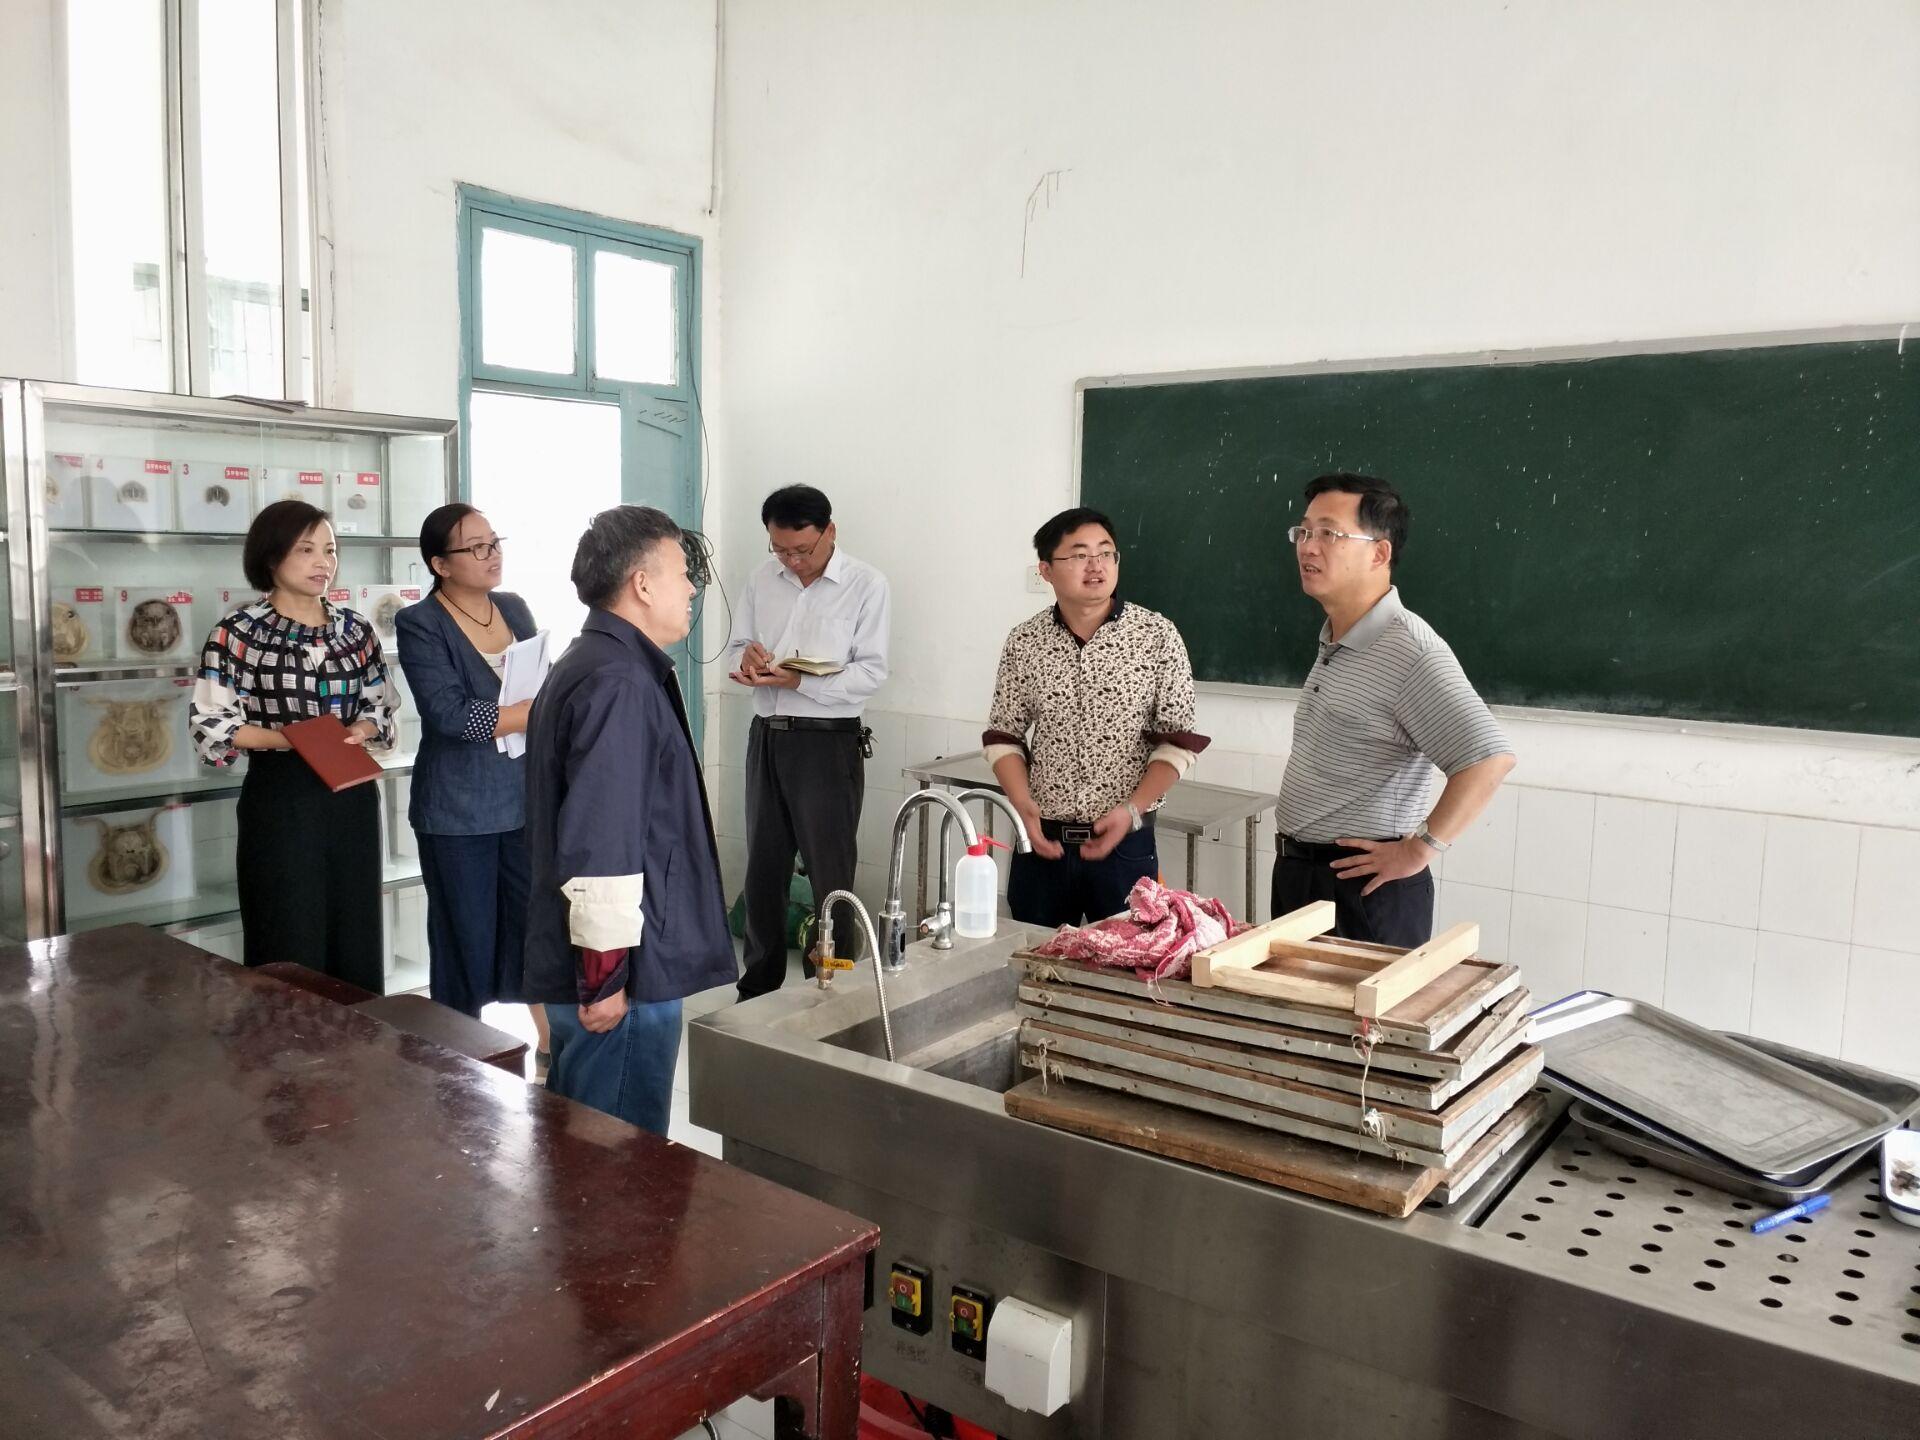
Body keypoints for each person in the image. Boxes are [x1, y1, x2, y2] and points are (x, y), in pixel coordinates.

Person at [522, 504, 732, 1134]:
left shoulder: (596, 661)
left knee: (584, 1148)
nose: (692, 587)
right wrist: (604, 976)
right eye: (681, 572)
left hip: (604, 956)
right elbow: (602, 839)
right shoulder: (618, 681)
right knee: (616, 1159)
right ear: (641, 584)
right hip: (623, 972)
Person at [1273, 473, 1516, 946]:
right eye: (1303, 531)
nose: (1308, 546)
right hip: (1304, 877)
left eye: (1329, 533)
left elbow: (1489, 759)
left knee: (1360, 1003)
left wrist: (1419, 850)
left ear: (1379, 554)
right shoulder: (1338, 637)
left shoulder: (1411, 650)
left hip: (1361, 892)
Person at [191, 500, 398, 989]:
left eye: (330, 550)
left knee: (355, 933)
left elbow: (381, 705)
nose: (323, 562)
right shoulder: (237, 632)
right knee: (287, 933)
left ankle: (359, 1037)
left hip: (351, 796)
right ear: (271, 557)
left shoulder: (356, 630)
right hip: (281, 799)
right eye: (306, 550)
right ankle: (285, 1041)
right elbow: (211, 725)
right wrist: (288, 738)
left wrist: (362, 730)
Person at [984, 506, 1209, 926]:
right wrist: (1022, 804)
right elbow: (1004, 736)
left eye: (1106, 553)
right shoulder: (1025, 641)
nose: (1097, 565)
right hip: (1043, 841)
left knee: (1132, 958)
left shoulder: (1157, 636)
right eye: (1080, 555)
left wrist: (1132, 810)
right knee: (1035, 955)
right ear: (1046, 570)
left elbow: (1177, 741)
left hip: (1126, 843)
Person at [726, 484, 889, 999]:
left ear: (830, 532)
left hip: (827, 744)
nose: (792, 561)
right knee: (763, 869)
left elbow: (871, 672)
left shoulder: (866, 584)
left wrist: (801, 682)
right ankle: (758, 987)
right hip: (767, 737)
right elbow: (735, 646)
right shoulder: (761, 579)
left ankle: (831, 988)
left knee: (829, 874)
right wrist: (745, 659)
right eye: (780, 550)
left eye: (802, 550)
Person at [394, 505, 543, 1051]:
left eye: (494, 541)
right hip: (457, 808)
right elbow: (448, 714)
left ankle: (549, 1043)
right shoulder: (420, 622)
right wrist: (527, 714)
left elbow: (539, 681)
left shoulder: (514, 607)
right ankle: (460, 1058)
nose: (492, 553)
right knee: (465, 938)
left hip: (522, 797)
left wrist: (539, 707)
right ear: (440, 564)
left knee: (532, 929)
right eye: (476, 547)